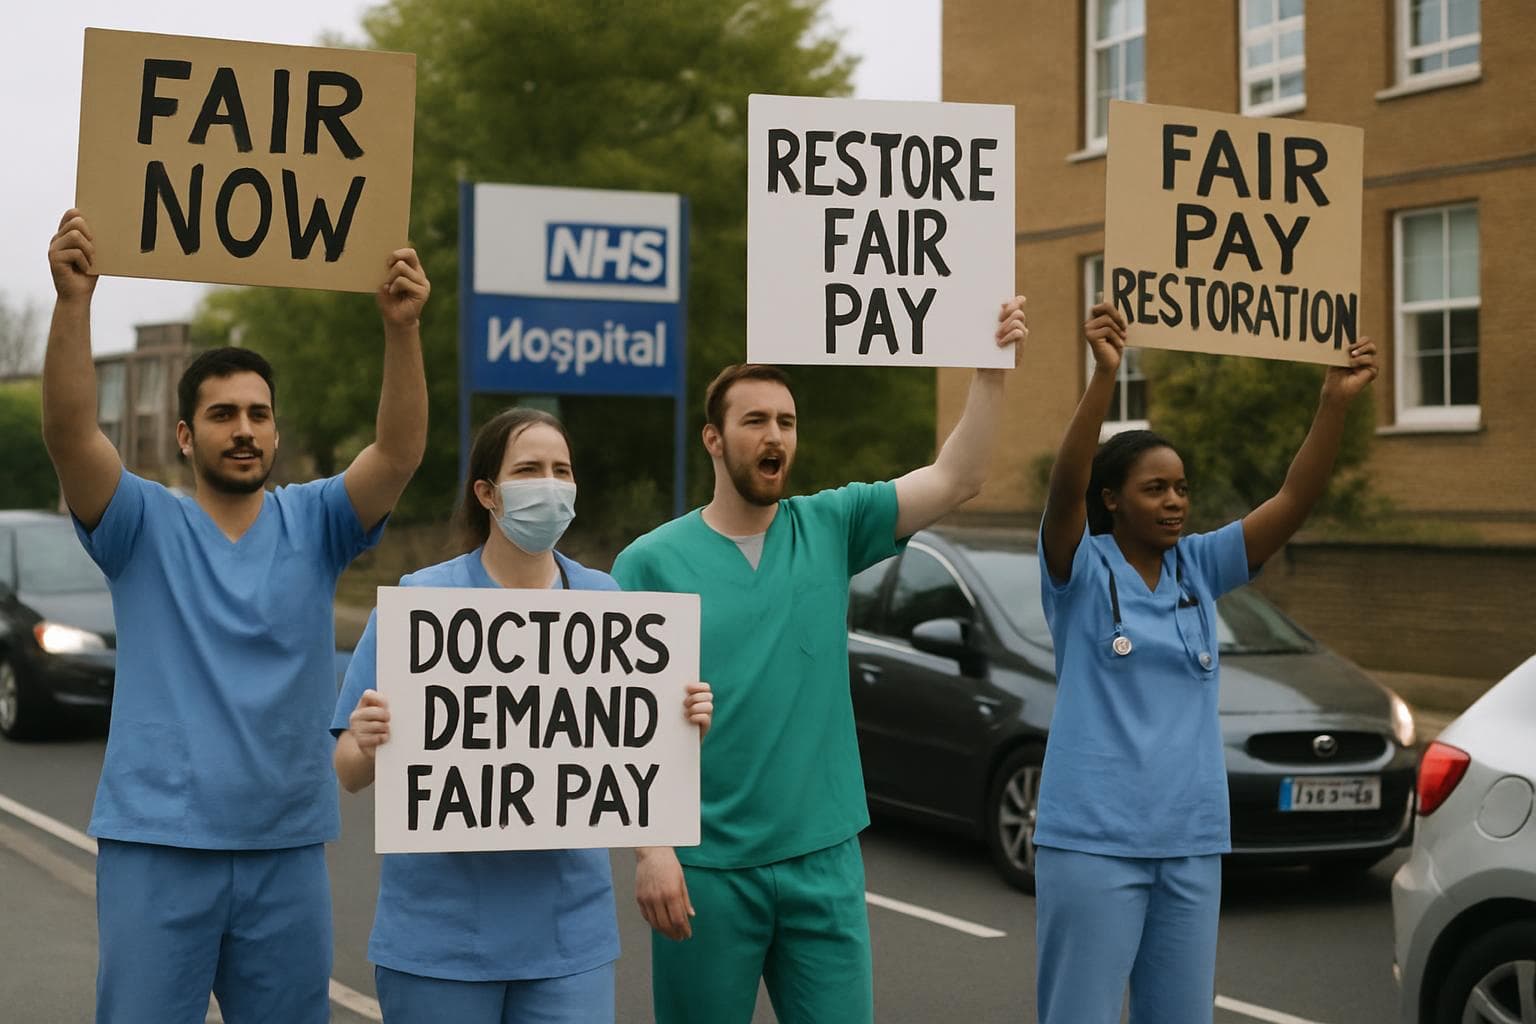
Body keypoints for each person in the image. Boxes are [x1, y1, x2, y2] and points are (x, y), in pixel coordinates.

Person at [42, 209, 430, 1024]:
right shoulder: (140, 522)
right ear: (185, 435)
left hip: (284, 850)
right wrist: (74, 302)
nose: (245, 430)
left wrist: (402, 329)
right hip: (157, 847)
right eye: (224, 415)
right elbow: (71, 431)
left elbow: (396, 455)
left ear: (276, 430)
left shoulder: (317, 522)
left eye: (258, 414)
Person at [610, 296, 1029, 1023]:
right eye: (755, 421)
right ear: (714, 439)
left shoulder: (832, 524)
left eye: (786, 422)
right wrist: (652, 852)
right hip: (706, 869)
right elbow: (617, 724)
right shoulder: (649, 563)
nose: (775, 435)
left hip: (824, 861)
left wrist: (990, 369)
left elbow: (958, 475)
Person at [1031, 302, 1379, 1024]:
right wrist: (1104, 377)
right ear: (1113, 501)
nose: (1175, 502)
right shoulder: (1079, 570)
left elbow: (1293, 499)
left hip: (1190, 839)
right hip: (1094, 841)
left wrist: (1331, 405)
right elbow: (1063, 488)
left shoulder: (1199, 566)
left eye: (1182, 487)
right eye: (1155, 488)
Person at [331, 406, 714, 1024]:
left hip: (569, 941)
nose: (551, 484)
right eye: (530, 469)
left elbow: (620, 756)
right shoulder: (420, 603)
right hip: (437, 944)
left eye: (562, 470)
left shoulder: (604, 602)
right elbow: (347, 770)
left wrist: (680, 722)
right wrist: (368, 740)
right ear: (487, 492)